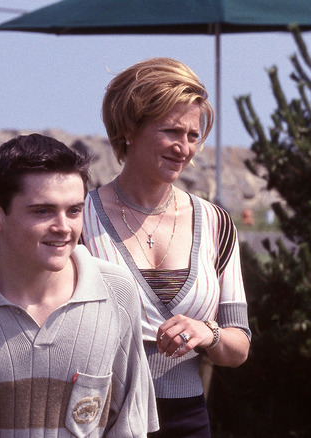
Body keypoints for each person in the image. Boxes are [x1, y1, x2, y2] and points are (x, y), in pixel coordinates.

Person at [0, 133, 158, 437]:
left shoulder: (116, 293)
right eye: (43, 211)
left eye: (74, 210)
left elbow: (129, 425)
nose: (64, 227)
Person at [81, 57, 251, 437]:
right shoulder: (80, 219)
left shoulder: (216, 224)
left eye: (193, 136)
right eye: (172, 131)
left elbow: (239, 345)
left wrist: (208, 333)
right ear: (129, 129)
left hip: (188, 420)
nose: (184, 148)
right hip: (101, 417)